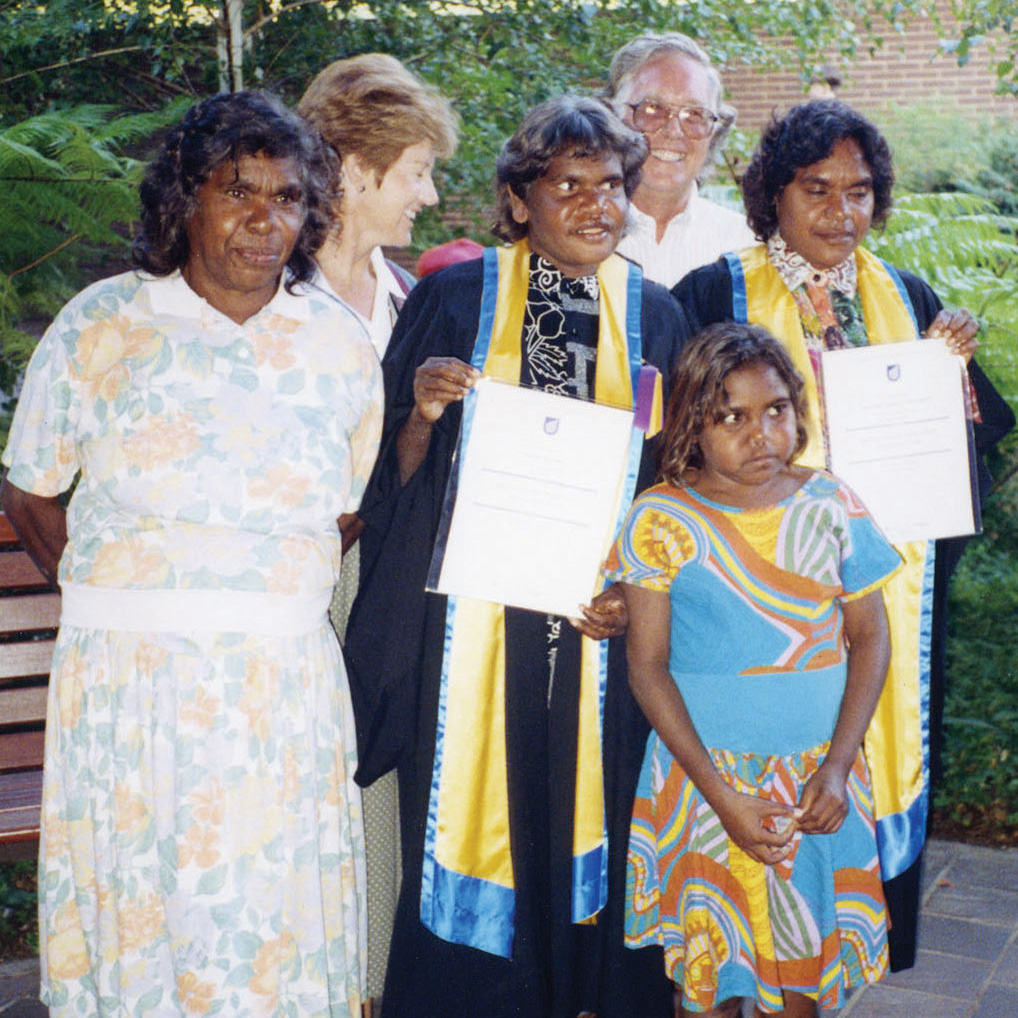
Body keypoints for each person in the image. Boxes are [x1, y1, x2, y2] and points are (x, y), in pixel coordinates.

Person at [0, 91, 382, 1018]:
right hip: (131, 686)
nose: (265, 219)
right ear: (185, 200)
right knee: (145, 913)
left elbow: (344, 511)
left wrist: (243, 600)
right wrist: (130, 601)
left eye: (288, 197)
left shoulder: (335, 342)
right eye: (236, 190)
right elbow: (33, 490)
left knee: (270, 920)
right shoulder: (105, 324)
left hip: (279, 688)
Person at [343, 95, 691, 1018]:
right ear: (519, 197)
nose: (593, 203)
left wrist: (635, 585)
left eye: (610, 183)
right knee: (478, 808)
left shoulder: (657, 316)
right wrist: (418, 415)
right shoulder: (458, 300)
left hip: (603, 626)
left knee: (600, 814)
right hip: (474, 627)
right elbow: (385, 477)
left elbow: (680, 482)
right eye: (566, 183)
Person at [672, 99, 1016, 971]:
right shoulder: (718, 289)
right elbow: (667, 449)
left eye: (859, 192)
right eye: (816, 189)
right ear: (772, 195)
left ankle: (836, 945)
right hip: (749, 594)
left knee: (874, 747)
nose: (841, 211)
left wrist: (956, 376)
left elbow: (971, 452)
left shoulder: (906, 296)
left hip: (879, 582)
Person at [604, 322, 898, 1016]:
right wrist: (722, 796)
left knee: (797, 984)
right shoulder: (662, 518)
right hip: (707, 786)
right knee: (709, 987)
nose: (760, 433)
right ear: (692, 426)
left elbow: (871, 638)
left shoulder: (830, 502)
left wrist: (837, 763)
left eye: (775, 411)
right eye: (730, 417)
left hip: (816, 782)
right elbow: (647, 667)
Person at [297, 53, 458, 1006]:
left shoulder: (408, 297)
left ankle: (370, 989)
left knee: (382, 797)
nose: (432, 196)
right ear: (355, 171)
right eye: (416, 172)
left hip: (393, 583)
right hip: (317, 586)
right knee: (321, 799)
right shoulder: (274, 299)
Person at [604, 32, 755, 288]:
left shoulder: (745, 247)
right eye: (651, 109)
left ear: (714, 132)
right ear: (611, 116)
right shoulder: (576, 236)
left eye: (694, 114)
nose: (673, 131)